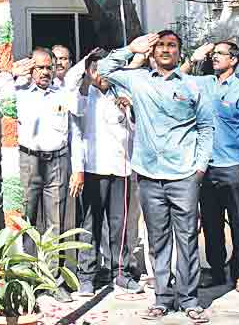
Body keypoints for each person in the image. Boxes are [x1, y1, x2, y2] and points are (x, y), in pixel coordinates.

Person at [98, 31, 215, 323]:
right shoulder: (137, 79)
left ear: (179, 52)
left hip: (184, 174)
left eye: (171, 46)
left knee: (187, 238)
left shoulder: (192, 85)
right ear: (152, 51)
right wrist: (131, 48)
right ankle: (163, 298)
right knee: (158, 239)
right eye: (160, 45)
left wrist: (199, 168)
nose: (165, 50)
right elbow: (103, 69)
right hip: (149, 174)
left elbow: (205, 128)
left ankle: (189, 298)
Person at [69, 47, 142, 296]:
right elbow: (77, 135)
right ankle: (87, 275)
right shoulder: (83, 96)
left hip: (120, 168)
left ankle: (119, 272)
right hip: (92, 169)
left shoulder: (121, 93)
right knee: (91, 223)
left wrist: (128, 109)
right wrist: (78, 168)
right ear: (89, 72)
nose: (101, 75)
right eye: (96, 70)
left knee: (119, 224)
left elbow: (134, 130)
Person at [12, 46, 80, 302]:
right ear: (31, 69)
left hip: (57, 161)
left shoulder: (62, 93)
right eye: (39, 67)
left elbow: (78, 122)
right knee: (25, 220)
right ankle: (25, 278)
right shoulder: (17, 92)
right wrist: (10, 75)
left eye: (49, 67)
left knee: (54, 222)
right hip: (28, 160)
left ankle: (51, 278)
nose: (45, 72)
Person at [192, 41, 239, 294]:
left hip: (233, 165)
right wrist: (197, 57)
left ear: (234, 60)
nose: (214, 57)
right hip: (206, 166)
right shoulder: (204, 84)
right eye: (213, 54)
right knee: (210, 223)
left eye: (219, 54)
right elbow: (178, 80)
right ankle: (217, 270)